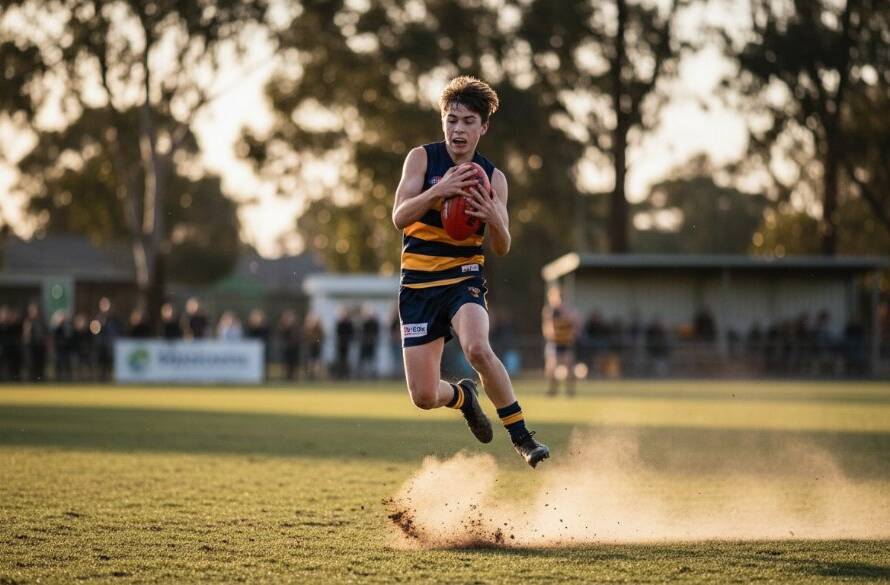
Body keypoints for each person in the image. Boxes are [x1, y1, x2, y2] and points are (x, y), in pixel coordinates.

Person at [391, 76, 549, 467]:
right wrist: (436, 192)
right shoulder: (422, 159)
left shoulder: (493, 178)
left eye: (467, 121)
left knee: (478, 348)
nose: (457, 129)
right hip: (418, 284)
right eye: (451, 119)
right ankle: (464, 396)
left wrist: (495, 219)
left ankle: (522, 437)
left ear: (483, 127)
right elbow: (399, 217)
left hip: (464, 277)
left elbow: (502, 245)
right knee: (425, 397)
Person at [541, 286, 579, 397]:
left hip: (566, 343)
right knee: (551, 368)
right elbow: (547, 327)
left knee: (569, 368)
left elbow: (576, 322)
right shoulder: (549, 310)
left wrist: (573, 332)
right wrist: (550, 333)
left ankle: (570, 391)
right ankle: (552, 390)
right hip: (554, 343)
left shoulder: (568, 310)